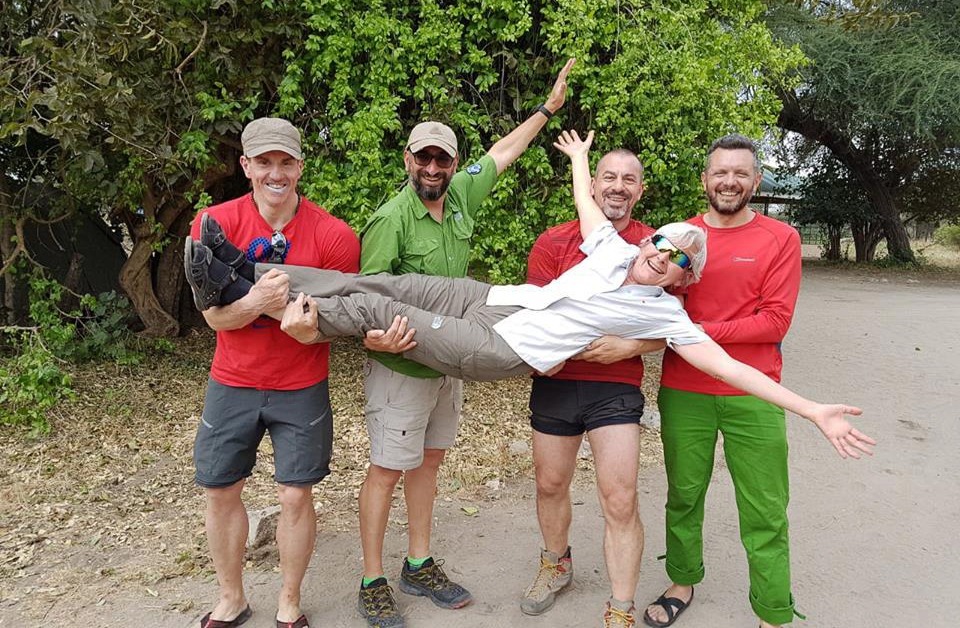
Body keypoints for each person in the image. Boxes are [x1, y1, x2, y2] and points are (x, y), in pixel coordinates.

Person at [184, 130, 875, 470]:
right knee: (384, 283)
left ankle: (259, 298)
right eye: (661, 243)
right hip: (494, 301)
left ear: (680, 279)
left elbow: (736, 368)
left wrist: (813, 409)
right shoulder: (612, 249)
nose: (661, 256)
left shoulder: (664, 314)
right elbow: (587, 197)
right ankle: (241, 273)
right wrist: (578, 155)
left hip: (501, 346)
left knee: (373, 312)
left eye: (677, 261)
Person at [352, 58, 576, 628]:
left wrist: (548, 108)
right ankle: (372, 577)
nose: (432, 166)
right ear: (408, 161)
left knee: (429, 464)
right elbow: (365, 298)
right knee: (386, 467)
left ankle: (419, 563)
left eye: (441, 158)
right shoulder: (390, 220)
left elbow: (504, 152)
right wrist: (378, 338)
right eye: (422, 156)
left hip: (445, 364)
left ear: (452, 164)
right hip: (399, 365)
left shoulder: (460, 200)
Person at [187, 117, 361, 628]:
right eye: (264, 162)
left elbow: (338, 323)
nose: (276, 173)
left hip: (300, 385)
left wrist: (309, 331)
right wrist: (261, 302)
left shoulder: (333, 235)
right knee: (220, 490)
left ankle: (289, 600)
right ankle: (231, 598)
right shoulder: (211, 225)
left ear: (301, 166)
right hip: (232, 380)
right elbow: (212, 316)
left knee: (295, 493)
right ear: (246, 166)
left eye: (286, 162)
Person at [642, 134, 804, 628]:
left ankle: (774, 611)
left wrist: (696, 332)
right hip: (685, 392)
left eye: (740, 173)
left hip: (753, 392)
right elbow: (647, 296)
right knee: (683, 495)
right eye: (719, 172)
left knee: (765, 508)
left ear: (755, 181)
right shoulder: (678, 237)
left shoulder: (781, 238)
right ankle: (682, 580)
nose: (729, 181)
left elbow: (774, 321)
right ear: (704, 180)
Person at [522, 148, 661, 627]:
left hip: (615, 387)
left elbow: (675, 324)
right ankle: (555, 563)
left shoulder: (655, 248)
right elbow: (533, 314)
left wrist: (631, 346)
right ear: (593, 186)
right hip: (557, 383)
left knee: (619, 498)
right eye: (608, 177)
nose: (618, 186)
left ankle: (620, 607)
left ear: (640, 189)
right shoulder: (552, 242)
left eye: (628, 179)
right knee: (550, 483)